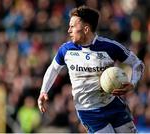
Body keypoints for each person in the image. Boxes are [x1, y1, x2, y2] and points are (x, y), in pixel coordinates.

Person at [37, 5, 145, 133]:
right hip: (89, 112)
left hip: (114, 105)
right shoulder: (66, 50)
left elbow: (137, 64)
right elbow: (53, 68)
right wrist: (44, 90)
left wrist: (133, 84)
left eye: (72, 26)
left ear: (86, 29)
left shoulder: (110, 47)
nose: (68, 30)